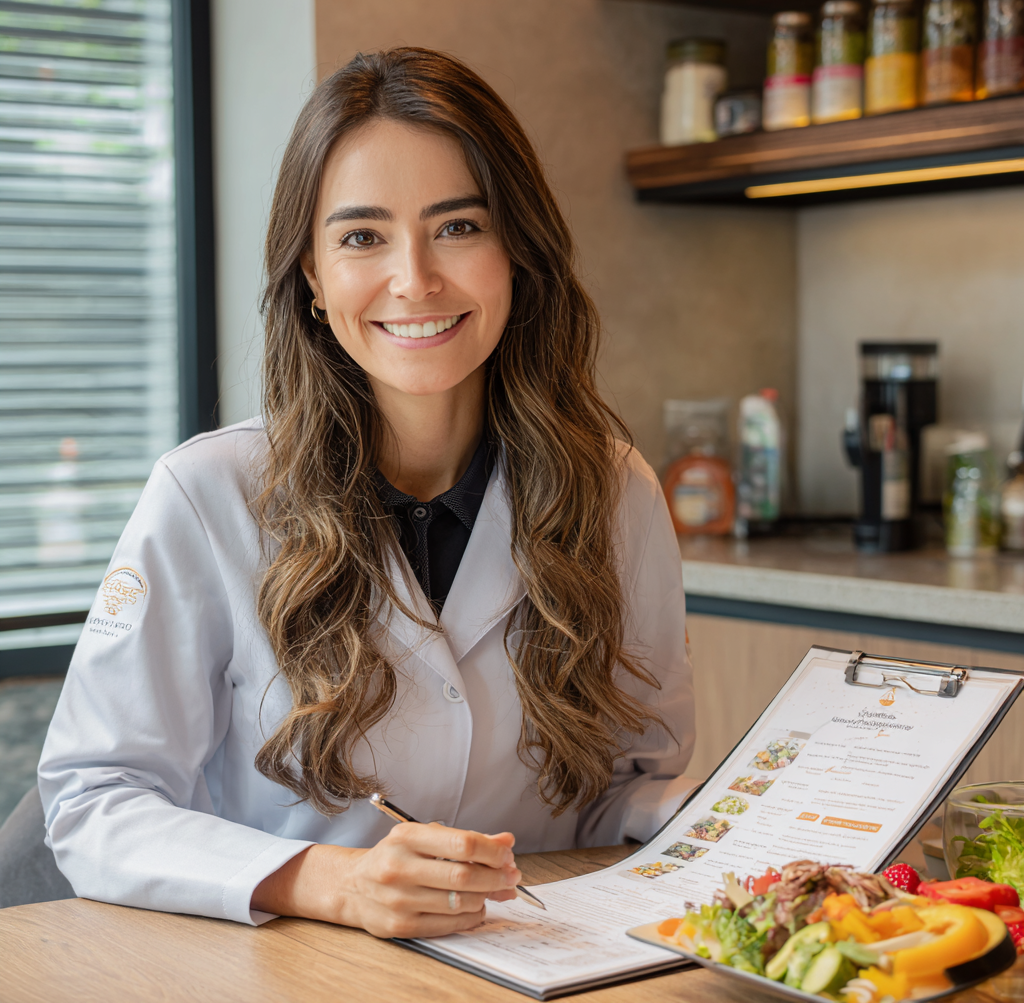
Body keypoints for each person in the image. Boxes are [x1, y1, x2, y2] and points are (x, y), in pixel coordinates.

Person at [37, 48, 695, 939]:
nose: (415, 279)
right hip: (287, 975)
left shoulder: (615, 491)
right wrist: (330, 883)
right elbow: (94, 798)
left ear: (519, 252)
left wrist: (791, 819)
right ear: (311, 275)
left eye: (459, 227)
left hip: (540, 965)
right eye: (361, 237)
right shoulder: (207, 495)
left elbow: (638, 783)